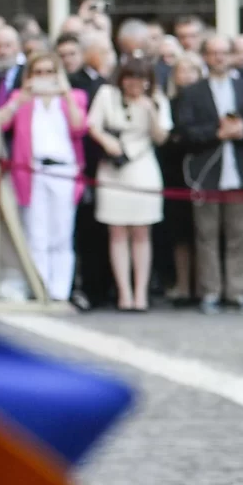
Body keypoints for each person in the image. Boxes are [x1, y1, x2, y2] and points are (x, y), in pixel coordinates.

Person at [0, 48, 89, 301]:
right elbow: (0, 122)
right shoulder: (21, 98)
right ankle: (40, 286)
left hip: (64, 170)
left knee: (62, 233)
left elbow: (80, 126)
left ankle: (60, 290)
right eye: (39, 72)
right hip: (32, 170)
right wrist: (21, 97)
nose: (44, 77)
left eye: (50, 72)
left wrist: (65, 92)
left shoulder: (75, 96)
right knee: (36, 232)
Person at [170, 34, 243, 312]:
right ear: (205, 57)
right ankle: (211, 292)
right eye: (214, 53)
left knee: (238, 236)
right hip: (206, 174)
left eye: (224, 53)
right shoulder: (193, 92)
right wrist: (216, 133)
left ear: (232, 56)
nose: (219, 58)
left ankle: (237, 292)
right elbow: (185, 131)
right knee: (206, 236)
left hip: (239, 173)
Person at [86, 57, 169, 310]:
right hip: (113, 168)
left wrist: (150, 109)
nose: (135, 84)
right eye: (130, 78)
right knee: (117, 231)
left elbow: (161, 136)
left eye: (141, 80)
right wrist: (106, 141)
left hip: (143, 167)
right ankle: (124, 292)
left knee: (142, 231)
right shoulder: (106, 94)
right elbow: (92, 124)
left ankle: (141, 292)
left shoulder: (156, 98)